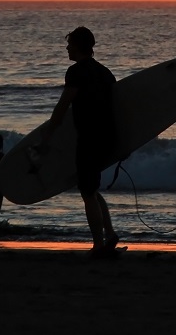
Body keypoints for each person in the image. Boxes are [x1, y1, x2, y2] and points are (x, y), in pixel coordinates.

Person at [42, 26, 120, 255]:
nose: (67, 48)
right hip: (108, 137)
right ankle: (110, 234)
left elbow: (62, 107)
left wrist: (46, 138)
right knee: (91, 187)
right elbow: (118, 111)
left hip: (89, 138)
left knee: (87, 191)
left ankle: (98, 245)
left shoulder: (75, 72)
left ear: (78, 46)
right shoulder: (106, 73)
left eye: (70, 44)